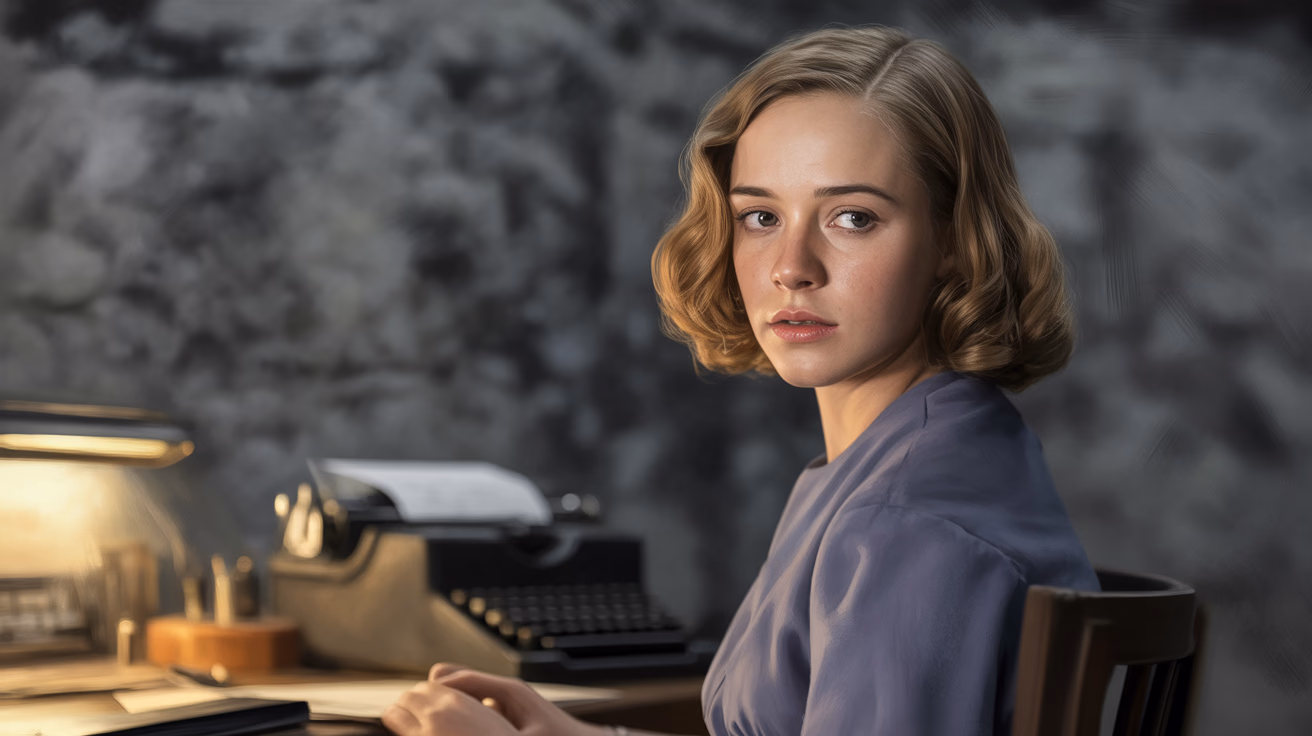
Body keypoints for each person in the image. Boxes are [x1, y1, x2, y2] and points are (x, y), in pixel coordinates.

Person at [381, 23, 1100, 736]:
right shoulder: (937, 450)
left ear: (952, 241)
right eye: (760, 216)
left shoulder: (903, 523)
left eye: (852, 218)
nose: (792, 265)